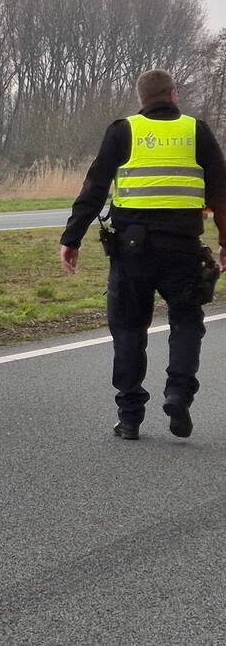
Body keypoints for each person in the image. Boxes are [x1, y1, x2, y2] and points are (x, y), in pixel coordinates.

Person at [60, 69, 226, 440]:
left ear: (141, 98)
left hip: (131, 250)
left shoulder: (123, 130)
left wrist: (72, 238)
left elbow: (95, 186)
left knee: (129, 329)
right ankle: (178, 393)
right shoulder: (195, 131)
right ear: (173, 95)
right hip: (182, 248)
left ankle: (130, 416)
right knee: (186, 320)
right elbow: (220, 191)